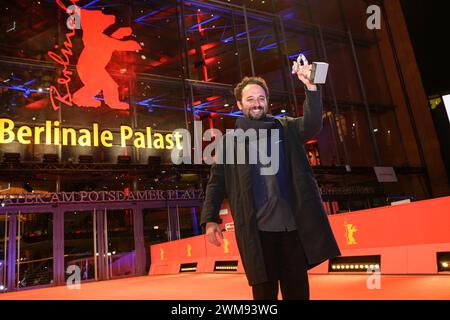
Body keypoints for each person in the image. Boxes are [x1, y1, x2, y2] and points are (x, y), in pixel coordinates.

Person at [200, 60, 341, 300]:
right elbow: (216, 183)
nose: (257, 103)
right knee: (264, 296)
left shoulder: (286, 128)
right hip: (257, 232)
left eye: (261, 98)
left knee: (297, 293)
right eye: (250, 99)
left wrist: (311, 88)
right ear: (239, 105)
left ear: (267, 101)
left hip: (292, 229)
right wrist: (210, 219)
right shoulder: (229, 143)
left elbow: (312, 123)